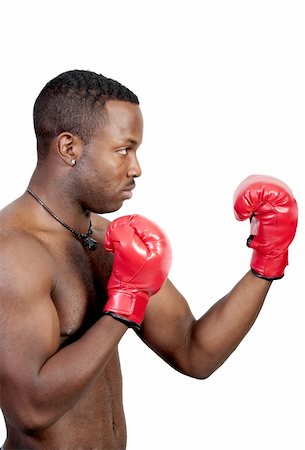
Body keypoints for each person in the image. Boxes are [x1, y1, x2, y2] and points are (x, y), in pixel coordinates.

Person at [0, 69, 298, 450]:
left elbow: (194, 352)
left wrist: (266, 261)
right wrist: (124, 306)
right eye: (124, 149)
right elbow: (30, 410)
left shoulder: (110, 240)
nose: (136, 168)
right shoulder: (13, 251)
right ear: (69, 148)